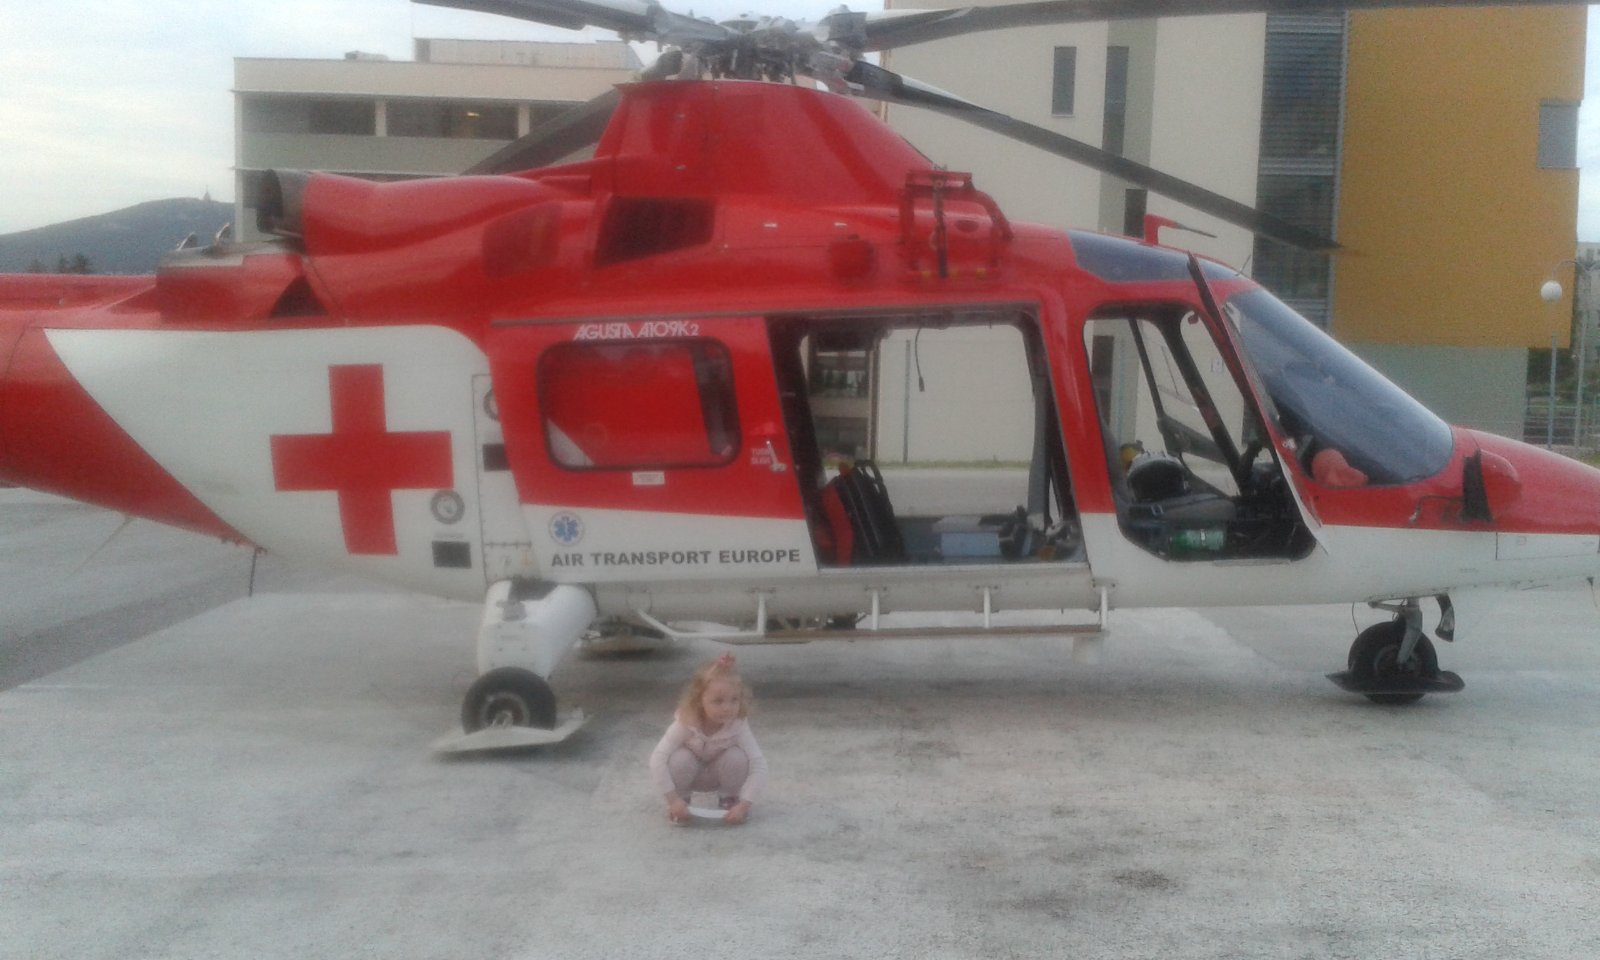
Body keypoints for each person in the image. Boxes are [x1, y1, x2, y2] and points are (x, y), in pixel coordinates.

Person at [648, 653, 767, 825]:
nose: (727, 708)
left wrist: (744, 805)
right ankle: (682, 802)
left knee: (737, 757)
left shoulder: (738, 724)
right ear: (699, 700)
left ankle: (730, 799)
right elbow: (657, 758)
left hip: (720, 774)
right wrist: (672, 799)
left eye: (734, 700)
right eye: (718, 701)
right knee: (679, 758)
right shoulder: (686, 721)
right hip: (690, 773)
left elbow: (759, 764)